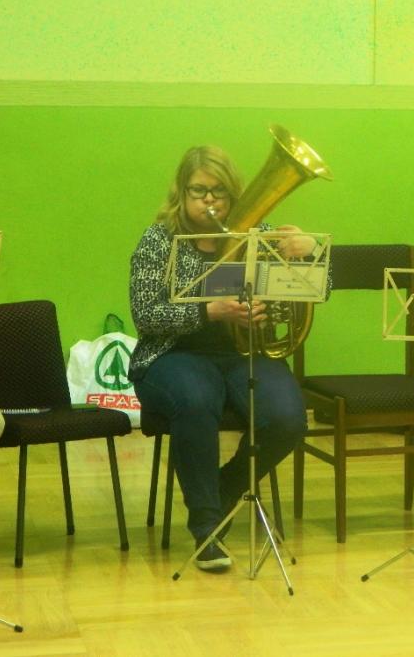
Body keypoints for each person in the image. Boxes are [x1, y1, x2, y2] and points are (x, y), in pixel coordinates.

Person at [129, 145, 312, 571]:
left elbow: (317, 287)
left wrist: (306, 252)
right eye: (199, 191)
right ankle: (207, 527)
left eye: (219, 191)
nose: (209, 200)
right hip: (174, 354)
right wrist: (208, 311)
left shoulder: (259, 236)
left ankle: (226, 489)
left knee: (288, 418)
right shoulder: (159, 240)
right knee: (196, 401)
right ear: (181, 192)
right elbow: (146, 313)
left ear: (234, 193)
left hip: (244, 352)